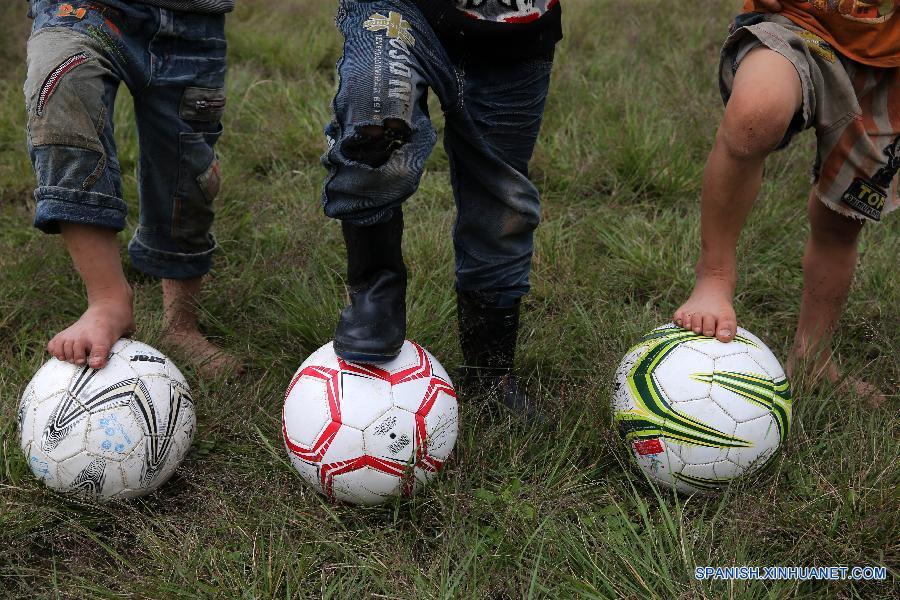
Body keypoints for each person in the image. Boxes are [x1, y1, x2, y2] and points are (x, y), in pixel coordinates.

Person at [320, 0, 562, 415]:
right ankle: (376, 291)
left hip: (516, 26)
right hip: (400, 9)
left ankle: (490, 373)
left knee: (501, 203)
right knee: (374, 125)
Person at [673, 0, 898, 403]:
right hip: (797, 23)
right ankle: (715, 275)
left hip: (889, 61)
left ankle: (813, 358)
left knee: (842, 218)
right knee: (755, 114)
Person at [23, 0, 241, 376]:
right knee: (61, 93)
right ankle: (108, 299)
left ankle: (180, 326)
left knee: (187, 171)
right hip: (80, 10)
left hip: (192, 21)